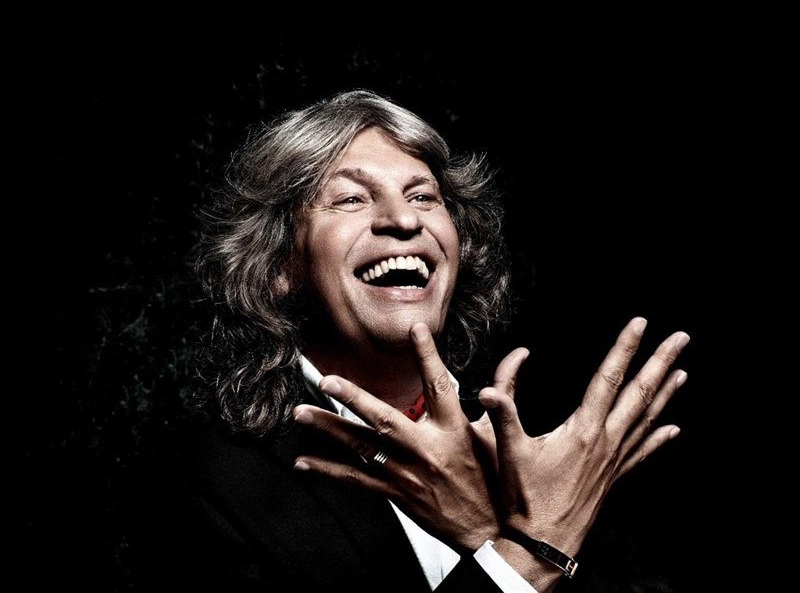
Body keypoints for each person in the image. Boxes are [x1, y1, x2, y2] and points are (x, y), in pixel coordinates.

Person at [133, 90, 689, 592]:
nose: (403, 220)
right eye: (351, 199)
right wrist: (522, 553)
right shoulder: (210, 487)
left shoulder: (549, 441)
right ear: (281, 265)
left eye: (424, 197)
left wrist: (484, 529)